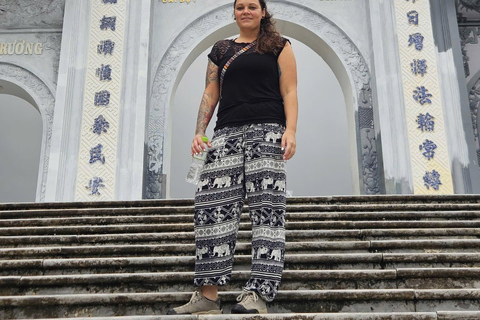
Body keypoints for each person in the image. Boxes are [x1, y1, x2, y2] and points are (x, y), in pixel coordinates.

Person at [167, 0, 297, 315]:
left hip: (267, 132)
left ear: (263, 11)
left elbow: (290, 90)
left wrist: (290, 131)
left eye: (253, 6)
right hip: (225, 134)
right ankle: (207, 296)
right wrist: (200, 132)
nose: (246, 11)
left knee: (267, 211)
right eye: (240, 7)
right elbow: (210, 91)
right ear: (235, 13)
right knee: (211, 209)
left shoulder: (279, 46)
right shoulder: (221, 49)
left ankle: (259, 294)